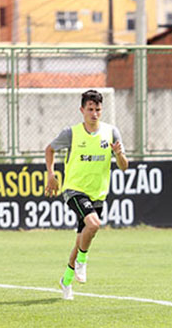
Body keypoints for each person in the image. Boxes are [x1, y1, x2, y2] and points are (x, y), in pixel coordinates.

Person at [44, 89, 129, 300]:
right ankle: (82, 261)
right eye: (90, 109)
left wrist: (118, 154)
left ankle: (66, 280)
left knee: (81, 239)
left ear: (102, 110)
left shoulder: (111, 133)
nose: (94, 113)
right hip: (74, 190)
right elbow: (49, 149)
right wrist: (51, 174)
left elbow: (124, 167)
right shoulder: (71, 133)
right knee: (93, 224)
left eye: (98, 109)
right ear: (82, 110)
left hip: (98, 194)